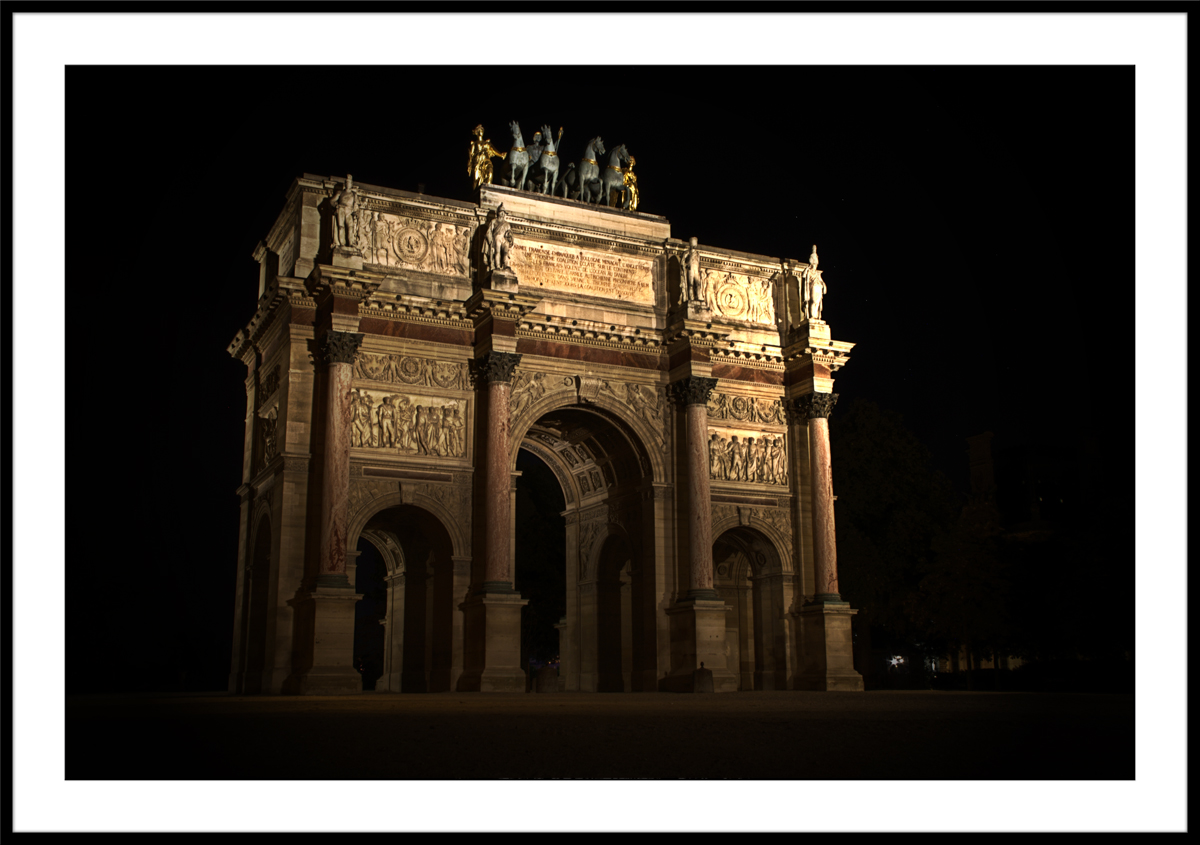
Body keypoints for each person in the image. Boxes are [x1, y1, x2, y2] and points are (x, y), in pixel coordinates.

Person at [468, 124, 507, 190]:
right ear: (476, 132)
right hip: (477, 162)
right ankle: (476, 193)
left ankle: (487, 190)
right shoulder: (474, 144)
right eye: (479, 130)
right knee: (476, 180)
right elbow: (471, 155)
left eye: (482, 130)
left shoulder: (487, 143)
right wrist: (469, 165)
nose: (481, 131)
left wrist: (501, 154)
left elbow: (493, 150)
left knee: (490, 173)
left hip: (486, 160)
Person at [330, 175, 359, 249]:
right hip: (341, 210)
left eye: (349, 183)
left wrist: (355, 210)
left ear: (351, 184)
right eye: (346, 182)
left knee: (350, 227)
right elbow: (332, 201)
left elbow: (356, 204)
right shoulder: (340, 192)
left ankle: (351, 243)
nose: (348, 184)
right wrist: (336, 205)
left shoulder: (354, 194)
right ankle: (341, 243)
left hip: (349, 211)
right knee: (341, 227)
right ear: (345, 184)